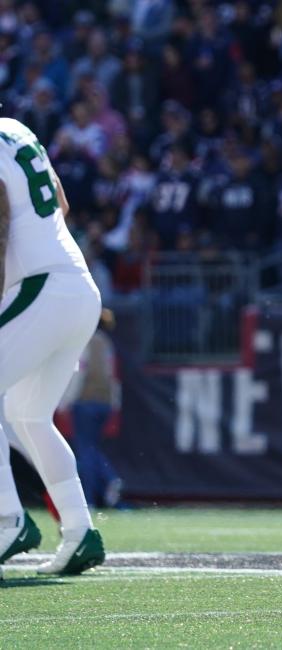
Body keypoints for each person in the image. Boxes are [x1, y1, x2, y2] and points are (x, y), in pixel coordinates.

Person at [0, 117, 106, 575]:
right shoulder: (15, 128)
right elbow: (60, 201)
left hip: (39, 286)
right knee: (27, 413)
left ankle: (8, 520)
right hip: (78, 285)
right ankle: (80, 531)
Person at [61, 308, 123, 508]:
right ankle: (109, 477)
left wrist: (65, 400)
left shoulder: (84, 341)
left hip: (85, 401)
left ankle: (89, 498)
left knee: (84, 450)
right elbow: (112, 377)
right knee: (92, 447)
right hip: (104, 402)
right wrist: (114, 403)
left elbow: (80, 372)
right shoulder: (106, 343)